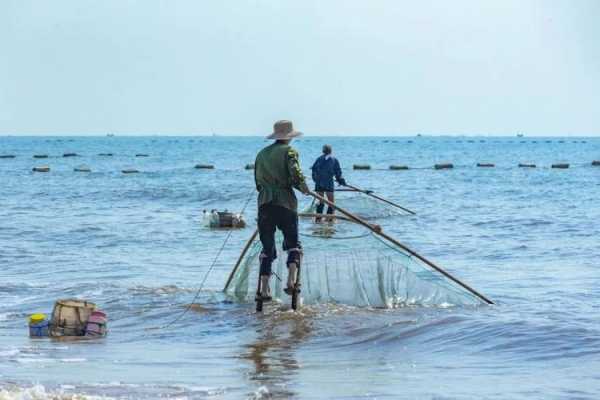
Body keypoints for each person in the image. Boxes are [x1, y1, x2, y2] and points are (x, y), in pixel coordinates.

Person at [254, 120, 310, 301]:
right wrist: (304, 188)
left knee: (267, 248)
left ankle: (264, 290)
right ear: (289, 137)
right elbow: (295, 174)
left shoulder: (261, 154)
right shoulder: (290, 152)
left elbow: (257, 181)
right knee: (293, 244)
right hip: (286, 204)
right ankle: (291, 282)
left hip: (264, 204)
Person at [311, 144, 346, 222]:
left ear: (323, 151)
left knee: (321, 201)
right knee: (331, 202)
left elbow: (313, 170)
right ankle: (329, 220)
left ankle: (318, 219)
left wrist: (316, 180)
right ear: (331, 151)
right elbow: (338, 172)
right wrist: (341, 180)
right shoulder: (334, 159)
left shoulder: (318, 159)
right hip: (328, 183)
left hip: (318, 183)